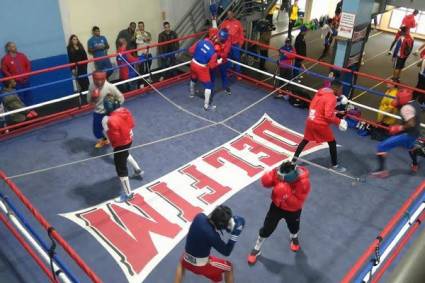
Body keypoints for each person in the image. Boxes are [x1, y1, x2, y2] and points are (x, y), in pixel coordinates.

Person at [247, 161, 311, 264]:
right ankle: (257, 247)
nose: (279, 177)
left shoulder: (304, 183)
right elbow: (270, 181)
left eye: (281, 177)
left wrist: (286, 195)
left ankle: (293, 237)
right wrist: (269, 178)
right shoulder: (279, 172)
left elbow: (298, 202)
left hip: (293, 210)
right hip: (276, 206)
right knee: (267, 228)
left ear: (290, 177)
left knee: (294, 227)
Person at [173, 205, 245, 283]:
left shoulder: (199, 217)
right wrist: (234, 235)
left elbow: (207, 224)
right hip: (201, 266)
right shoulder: (212, 236)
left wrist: (223, 218)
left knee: (216, 276)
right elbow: (227, 252)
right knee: (229, 267)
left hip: (186, 259)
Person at [291, 80, 348, 172]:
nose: (342, 92)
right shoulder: (332, 98)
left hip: (311, 119)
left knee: (305, 140)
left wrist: (338, 100)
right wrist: (339, 121)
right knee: (332, 142)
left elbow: (322, 105)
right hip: (319, 124)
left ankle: (293, 161)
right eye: (341, 89)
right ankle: (335, 166)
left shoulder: (322, 91)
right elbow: (328, 115)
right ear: (336, 89)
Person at [101, 93, 144, 202]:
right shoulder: (125, 110)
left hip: (120, 143)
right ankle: (137, 169)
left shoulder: (107, 120)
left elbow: (113, 139)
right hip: (129, 137)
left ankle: (128, 194)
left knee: (121, 168)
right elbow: (131, 125)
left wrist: (110, 141)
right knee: (125, 153)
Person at [371, 88, 421, 177]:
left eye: (398, 98)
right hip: (415, 133)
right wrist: (398, 104)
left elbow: (411, 123)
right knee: (410, 147)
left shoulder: (406, 108)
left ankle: (382, 170)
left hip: (407, 134)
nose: (396, 100)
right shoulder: (415, 103)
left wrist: (399, 127)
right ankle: (415, 165)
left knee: (382, 146)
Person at [87, 71, 125, 148]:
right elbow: (89, 101)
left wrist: (114, 107)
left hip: (110, 113)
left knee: (114, 129)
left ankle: (121, 141)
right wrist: (93, 98)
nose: (99, 81)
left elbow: (121, 98)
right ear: (93, 79)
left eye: (101, 79)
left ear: (105, 78)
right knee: (96, 130)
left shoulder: (110, 87)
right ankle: (104, 140)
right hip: (98, 112)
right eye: (97, 79)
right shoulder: (92, 86)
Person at [189, 28, 224, 111]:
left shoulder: (200, 42)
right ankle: (206, 106)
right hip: (201, 67)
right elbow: (212, 66)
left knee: (193, 77)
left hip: (193, 63)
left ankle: (191, 94)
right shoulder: (213, 53)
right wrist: (219, 62)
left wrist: (200, 53)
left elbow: (190, 50)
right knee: (208, 85)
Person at [220, 10, 244, 77]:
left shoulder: (238, 23)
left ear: (233, 14)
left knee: (237, 59)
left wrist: (241, 44)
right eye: (228, 14)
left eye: (230, 14)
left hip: (235, 44)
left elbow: (241, 34)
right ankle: (228, 71)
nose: (229, 16)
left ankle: (238, 74)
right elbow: (221, 32)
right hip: (227, 44)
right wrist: (222, 43)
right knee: (228, 58)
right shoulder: (224, 23)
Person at [210, 28, 232, 96]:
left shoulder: (228, 42)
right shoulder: (216, 37)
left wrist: (218, 53)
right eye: (220, 37)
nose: (221, 38)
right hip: (215, 59)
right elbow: (211, 46)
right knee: (212, 74)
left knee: (224, 74)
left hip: (222, 60)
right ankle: (210, 89)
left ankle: (225, 87)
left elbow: (225, 54)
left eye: (222, 38)